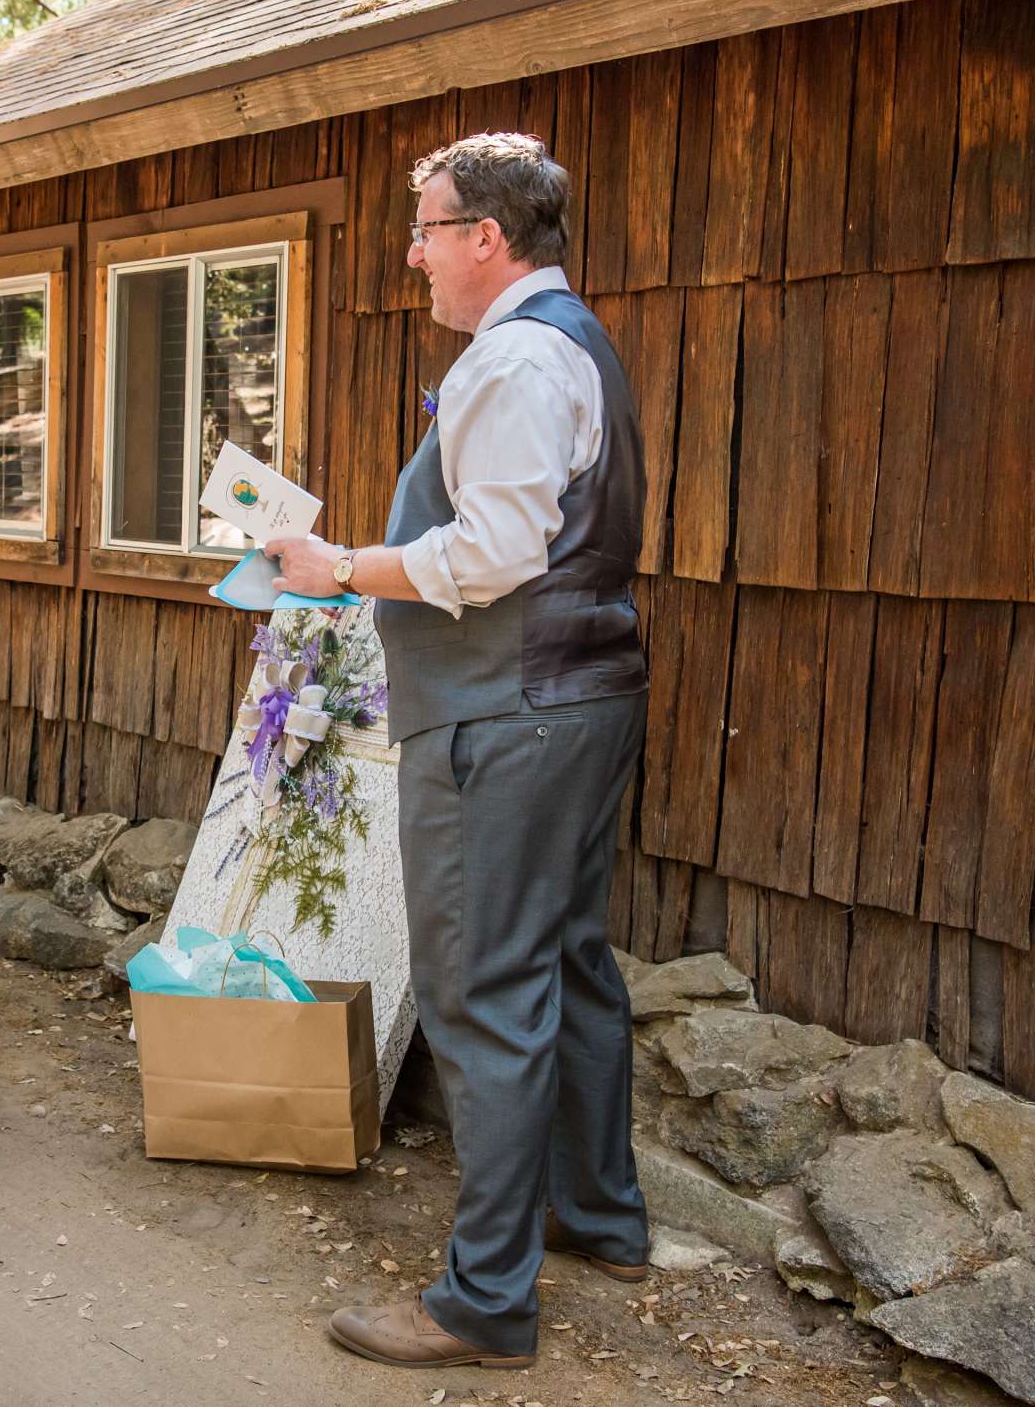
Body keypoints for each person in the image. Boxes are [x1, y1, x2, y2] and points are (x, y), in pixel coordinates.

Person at [265, 133, 653, 1369]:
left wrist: (342, 570)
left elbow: (492, 556)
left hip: (508, 713)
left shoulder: (515, 360)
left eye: (428, 229)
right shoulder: (571, 342)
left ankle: (486, 1301)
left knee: (483, 986)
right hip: (578, 701)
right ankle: (599, 1218)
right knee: (570, 961)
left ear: (486, 238)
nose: (415, 252)